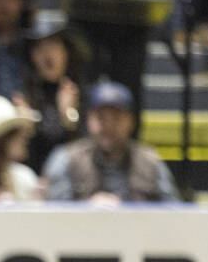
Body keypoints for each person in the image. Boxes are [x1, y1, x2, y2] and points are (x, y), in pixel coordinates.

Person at [42, 80, 179, 204]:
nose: (108, 125)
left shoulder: (150, 162)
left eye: (116, 118)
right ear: (89, 120)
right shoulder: (66, 159)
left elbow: (173, 213)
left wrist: (126, 211)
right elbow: (53, 214)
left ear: (130, 122)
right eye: (101, 118)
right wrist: (86, 208)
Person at [18, 10, 87, 174]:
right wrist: (25, 131)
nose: (47, 54)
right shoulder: (24, 96)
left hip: (75, 181)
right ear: (32, 56)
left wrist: (68, 116)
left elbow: (90, 153)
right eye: (40, 48)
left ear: (67, 52)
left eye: (53, 45)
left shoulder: (83, 93)